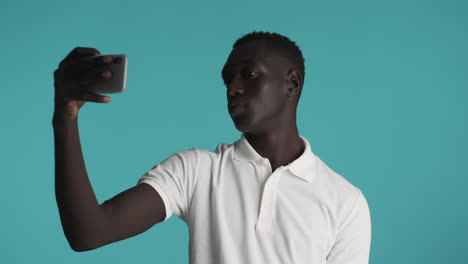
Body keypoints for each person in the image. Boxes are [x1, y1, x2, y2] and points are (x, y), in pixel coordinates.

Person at [53, 31, 371, 264]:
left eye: (249, 74)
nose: (233, 88)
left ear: (292, 83)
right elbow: (88, 233)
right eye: (227, 79)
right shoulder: (196, 171)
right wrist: (65, 117)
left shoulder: (346, 203)